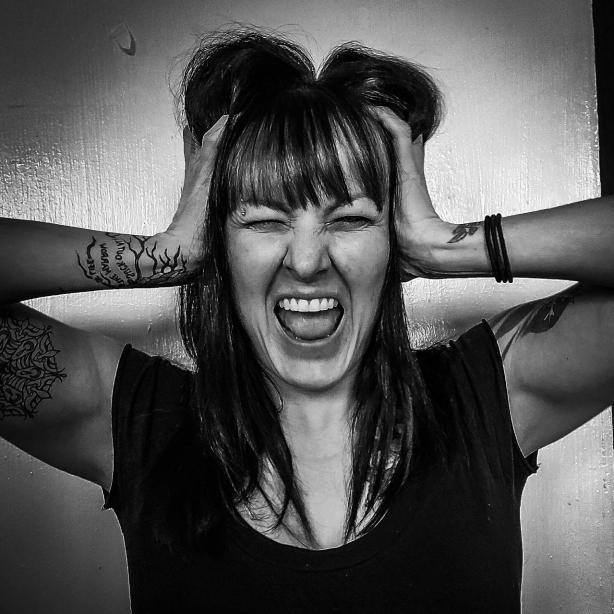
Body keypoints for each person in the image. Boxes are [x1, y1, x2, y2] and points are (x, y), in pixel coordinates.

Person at [1, 27, 613, 614]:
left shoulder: (489, 395)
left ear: (391, 242)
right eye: (264, 221)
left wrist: (442, 245)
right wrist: (169, 253)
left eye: (350, 220)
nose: (307, 261)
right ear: (220, 245)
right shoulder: (133, 420)